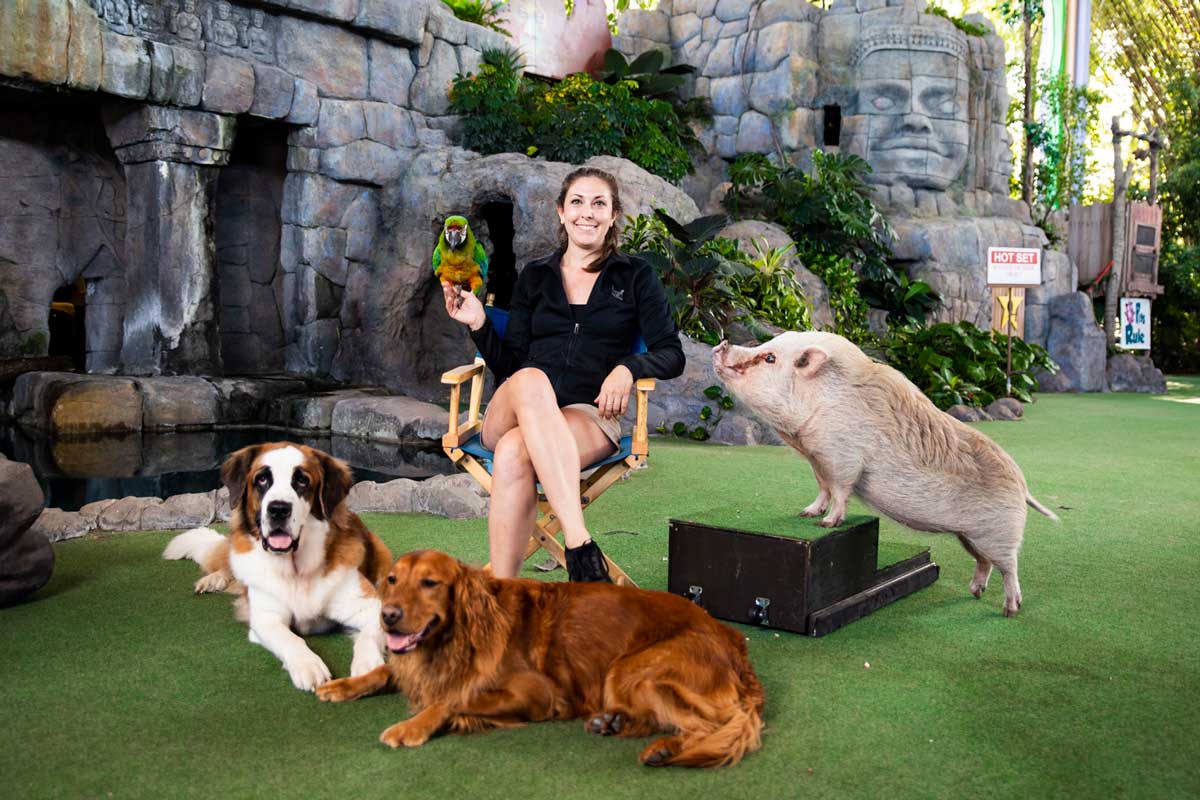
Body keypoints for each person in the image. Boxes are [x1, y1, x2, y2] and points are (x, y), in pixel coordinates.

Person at [442, 167, 684, 582]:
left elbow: (671, 354)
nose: (586, 213)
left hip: (587, 415)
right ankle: (579, 544)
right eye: (577, 202)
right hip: (512, 410)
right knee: (531, 381)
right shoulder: (536, 276)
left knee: (517, 451)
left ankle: (502, 595)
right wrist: (479, 322)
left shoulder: (636, 276)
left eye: (598, 203)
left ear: (613, 216)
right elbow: (512, 365)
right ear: (560, 212)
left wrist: (628, 367)